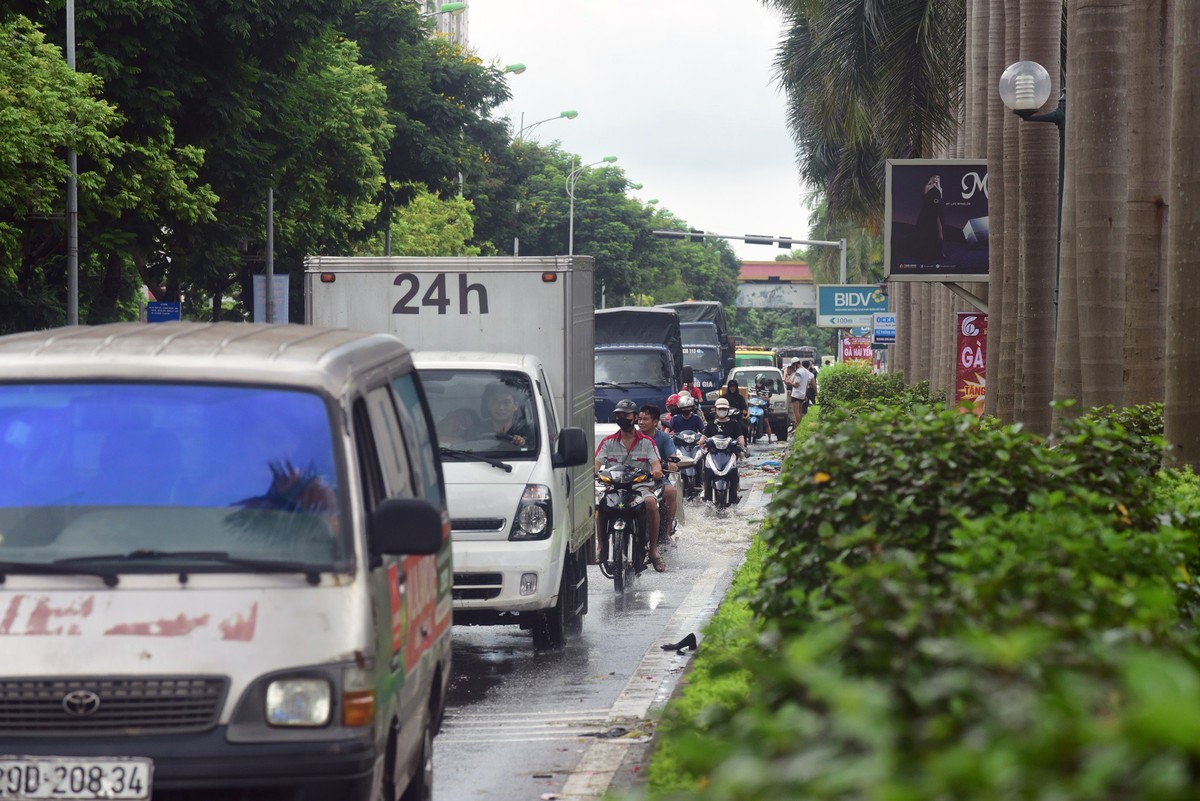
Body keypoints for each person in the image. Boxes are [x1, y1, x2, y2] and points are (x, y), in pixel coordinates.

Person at [594, 398, 666, 572]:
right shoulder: (607, 442)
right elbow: (596, 465)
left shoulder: (648, 442)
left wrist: (656, 471)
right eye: (618, 415)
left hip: (640, 488)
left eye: (625, 415)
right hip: (613, 488)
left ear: (634, 417)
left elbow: (656, 464)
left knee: (651, 503)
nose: (621, 418)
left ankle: (654, 550)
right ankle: (600, 546)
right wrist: (594, 473)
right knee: (600, 504)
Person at [637, 404, 678, 547]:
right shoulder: (632, 436)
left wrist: (672, 463)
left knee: (671, 492)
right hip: (634, 479)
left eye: (645, 419)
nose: (641, 422)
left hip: (657, 479)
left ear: (655, 422)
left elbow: (672, 456)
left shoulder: (664, 438)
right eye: (639, 419)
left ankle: (666, 532)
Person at [699, 397, 746, 504]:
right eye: (720, 409)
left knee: (734, 471)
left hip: (729, 453)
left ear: (728, 410)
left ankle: (736, 490)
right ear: (715, 409)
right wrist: (700, 442)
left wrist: (742, 445)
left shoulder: (734, 423)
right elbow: (704, 437)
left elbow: (740, 437)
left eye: (724, 409)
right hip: (713, 453)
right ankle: (705, 489)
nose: (722, 411)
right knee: (705, 466)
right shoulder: (711, 424)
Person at [483, 382, 533, 447]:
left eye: (506, 402)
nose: (500, 407)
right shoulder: (477, 429)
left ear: (515, 406)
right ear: (489, 406)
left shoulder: (528, 433)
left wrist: (522, 444)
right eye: (495, 402)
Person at [914, 173, 945, 263]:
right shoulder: (927, 187)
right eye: (935, 177)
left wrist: (938, 185)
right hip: (928, 211)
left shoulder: (940, 188)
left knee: (940, 232)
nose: (937, 178)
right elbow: (925, 199)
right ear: (932, 178)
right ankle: (927, 254)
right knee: (928, 232)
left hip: (938, 211)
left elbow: (941, 200)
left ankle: (940, 253)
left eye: (938, 177)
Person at [750, 373, 775, 443]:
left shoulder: (766, 390)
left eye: (760, 383)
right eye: (757, 382)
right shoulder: (752, 387)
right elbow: (749, 395)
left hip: (762, 407)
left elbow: (767, 399)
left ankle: (769, 439)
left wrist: (760, 397)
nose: (758, 384)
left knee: (766, 422)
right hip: (753, 407)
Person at [783, 357, 801, 431]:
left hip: (791, 394)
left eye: (787, 369)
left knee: (792, 410)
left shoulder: (794, 375)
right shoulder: (793, 375)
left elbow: (794, 385)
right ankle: (794, 426)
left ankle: (795, 425)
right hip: (792, 394)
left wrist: (788, 382)